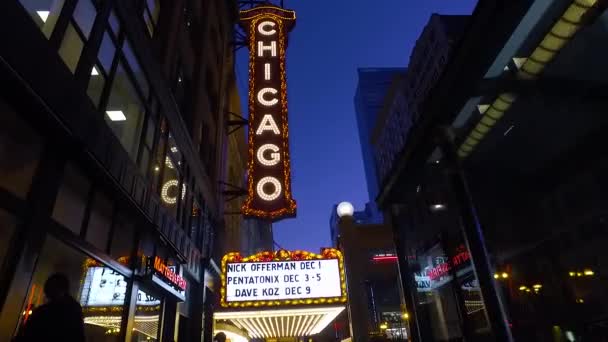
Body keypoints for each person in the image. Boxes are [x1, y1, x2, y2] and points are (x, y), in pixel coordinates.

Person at [14, 273, 86, 342]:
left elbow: (28, 333)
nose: (46, 291)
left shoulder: (44, 311)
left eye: (50, 287)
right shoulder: (73, 310)